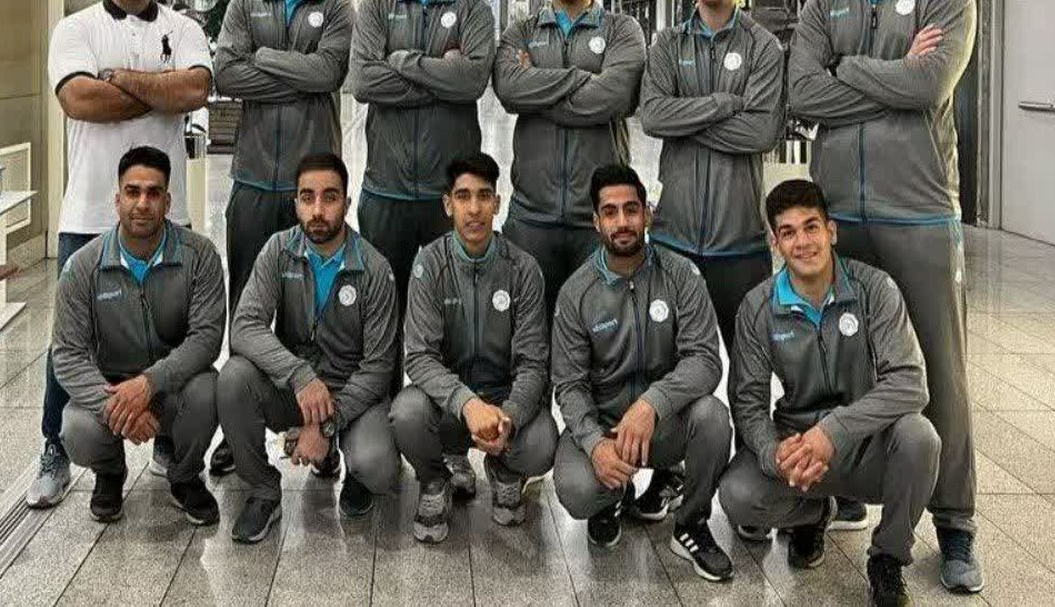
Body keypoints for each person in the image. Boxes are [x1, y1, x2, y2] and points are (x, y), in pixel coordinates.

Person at [788, 0, 981, 593]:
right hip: (841, 215)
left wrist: (847, 68)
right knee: (843, 363)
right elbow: (803, 94)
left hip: (920, 211)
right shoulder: (825, 1)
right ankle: (843, 486)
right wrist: (891, 72)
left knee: (939, 371)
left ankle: (955, 521)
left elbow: (930, 84)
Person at [29, 0, 212, 509]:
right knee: (70, 342)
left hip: (168, 216)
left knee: (170, 334)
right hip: (88, 214)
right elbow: (79, 99)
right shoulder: (75, 28)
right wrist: (157, 88)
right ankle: (55, 448)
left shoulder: (184, 28)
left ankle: (168, 440)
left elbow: (194, 91)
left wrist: (122, 80)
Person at [719, 179, 941, 607]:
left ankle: (888, 559)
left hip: (865, 443)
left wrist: (833, 431)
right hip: (798, 447)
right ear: (775, 243)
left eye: (811, 227)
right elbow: (747, 403)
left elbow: (910, 382)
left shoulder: (874, 288)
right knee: (737, 494)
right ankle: (815, 513)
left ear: (831, 231)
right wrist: (774, 453)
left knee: (920, 438)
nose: (802, 242)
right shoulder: (758, 307)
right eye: (788, 232)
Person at [638, 0, 784, 527]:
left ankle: (753, 481)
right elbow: (652, 116)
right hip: (673, 239)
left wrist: (689, 118)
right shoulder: (666, 45)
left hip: (739, 240)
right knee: (670, 365)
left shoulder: (764, 48)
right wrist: (723, 103)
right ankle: (669, 470)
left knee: (750, 372)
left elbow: (762, 130)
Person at [212, 0, 354, 477]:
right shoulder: (246, 4)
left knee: (315, 308)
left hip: (312, 188)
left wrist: (264, 58)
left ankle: (318, 424)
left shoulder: (336, 8)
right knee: (247, 301)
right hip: (252, 179)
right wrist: (298, 73)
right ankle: (237, 427)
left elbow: (329, 72)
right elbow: (226, 72)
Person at [552, 164, 733, 582]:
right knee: (578, 491)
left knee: (713, 418)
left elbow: (706, 360)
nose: (622, 222)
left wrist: (652, 404)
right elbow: (570, 384)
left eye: (631, 209)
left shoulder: (681, 275)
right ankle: (611, 496)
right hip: (607, 427)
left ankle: (691, 523)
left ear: (647, 214)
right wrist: (594, 444)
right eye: (610, 212)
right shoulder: (576, 292)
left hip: (662, 424)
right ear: (596, 221)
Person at [217, 153, 401, 544]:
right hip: (294, 390)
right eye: (307, 197)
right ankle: (264, 490)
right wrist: (299, 375)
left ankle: (352, 470)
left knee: (378, 466)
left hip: (352, 395)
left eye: (329, 197)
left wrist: (325, 425)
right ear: (295, 203)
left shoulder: (374, 268)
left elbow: (379, 367)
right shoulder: (278, 249)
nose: (318, 210)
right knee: (233, 379)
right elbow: (245, 326)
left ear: (346, 204)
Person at [389, 153, 558, 543]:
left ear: (497, 203)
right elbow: (420, 357)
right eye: (463, 196)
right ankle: (437, 479)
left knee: (543, 441)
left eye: (484, 196)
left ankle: (504, 468)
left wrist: (509, 417)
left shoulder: (524, 269)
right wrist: (466, 404)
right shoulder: (429, 265)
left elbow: (534, 362)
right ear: (448, 204)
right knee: (406, 413)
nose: (475, 208)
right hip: (450, 405)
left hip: (503, 404)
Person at [53, 146, 225, 526]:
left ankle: (184, 476)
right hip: (112, 388)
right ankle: (110, 472)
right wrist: (118, 405)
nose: (142, 204)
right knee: (77, 427)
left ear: (168, 201)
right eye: (133, 192)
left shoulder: (200, 256)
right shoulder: (83, 267)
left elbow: (207, 339)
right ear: (117, 200)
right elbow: (67, 355)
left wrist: (148, 384)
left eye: (153, 193)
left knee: (211, 390)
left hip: (174, 384)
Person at [347, 0, 496, 316]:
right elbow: (363, 81)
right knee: (382, 315)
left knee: (452, 314)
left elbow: (472, 80)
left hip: (448, 194)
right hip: (385, 191)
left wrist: (401, 61)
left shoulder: (472, 6)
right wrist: (442, 76)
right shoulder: (377, 4)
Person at [493, 0, 645, 316]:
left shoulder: (622, 30)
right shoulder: (521, 32)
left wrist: (536, 86)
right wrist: (584, 79)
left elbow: (615, 96)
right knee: (529, 332)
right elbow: (508, 90)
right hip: (531, 216)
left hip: (599, 216)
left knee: (602, 331)